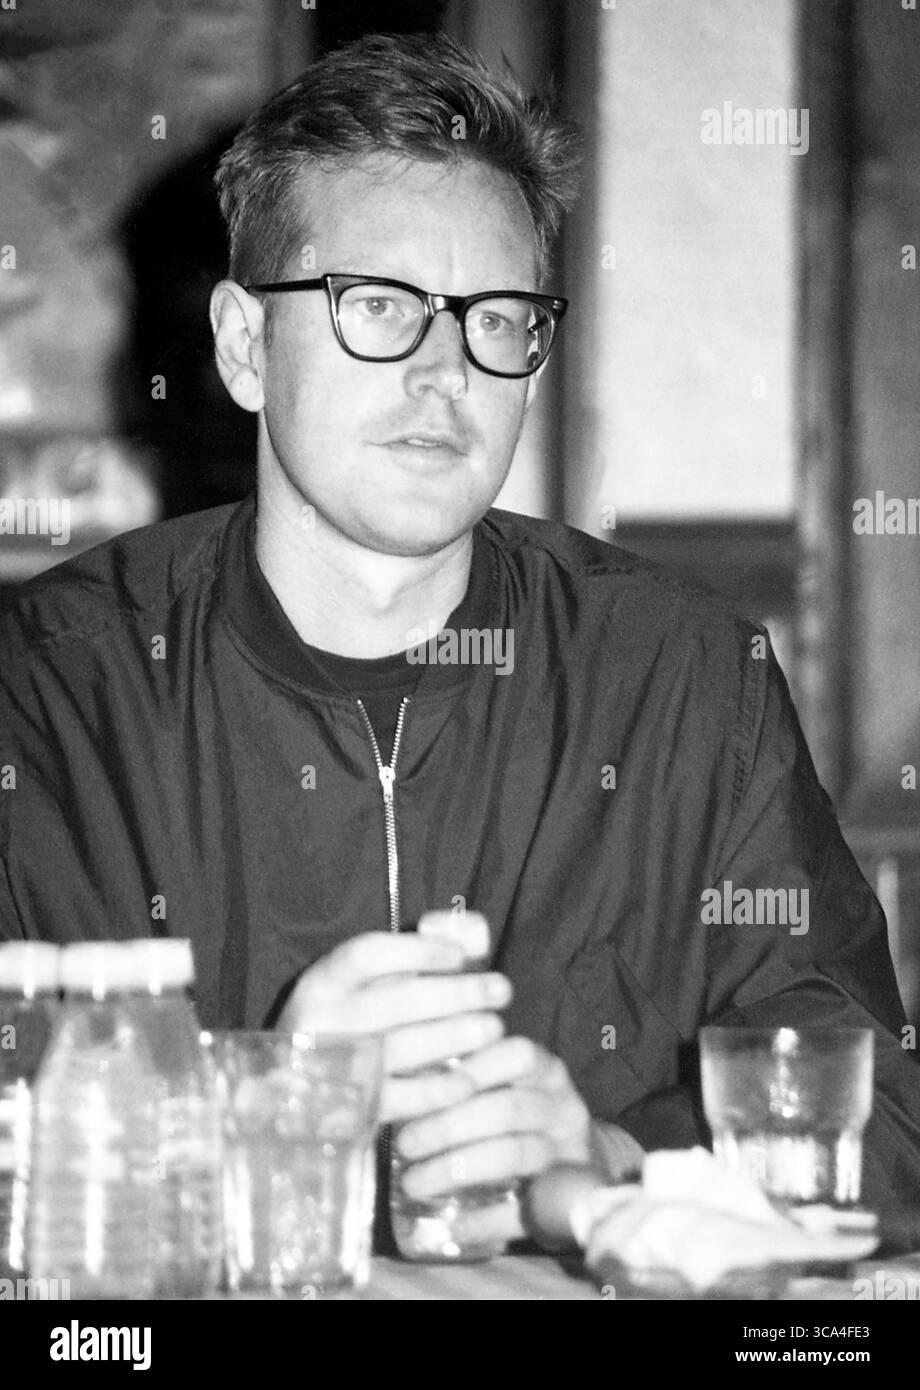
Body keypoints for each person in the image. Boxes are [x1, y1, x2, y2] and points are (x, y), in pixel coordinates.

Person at [1, 32, 918, 1252]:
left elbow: (880, 1122)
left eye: (496, 317)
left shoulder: (681, 674)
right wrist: (279, 1096)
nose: (444, 373)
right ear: (240, 346)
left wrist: (610, 1156)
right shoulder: (55, 685)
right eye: (377, 307)